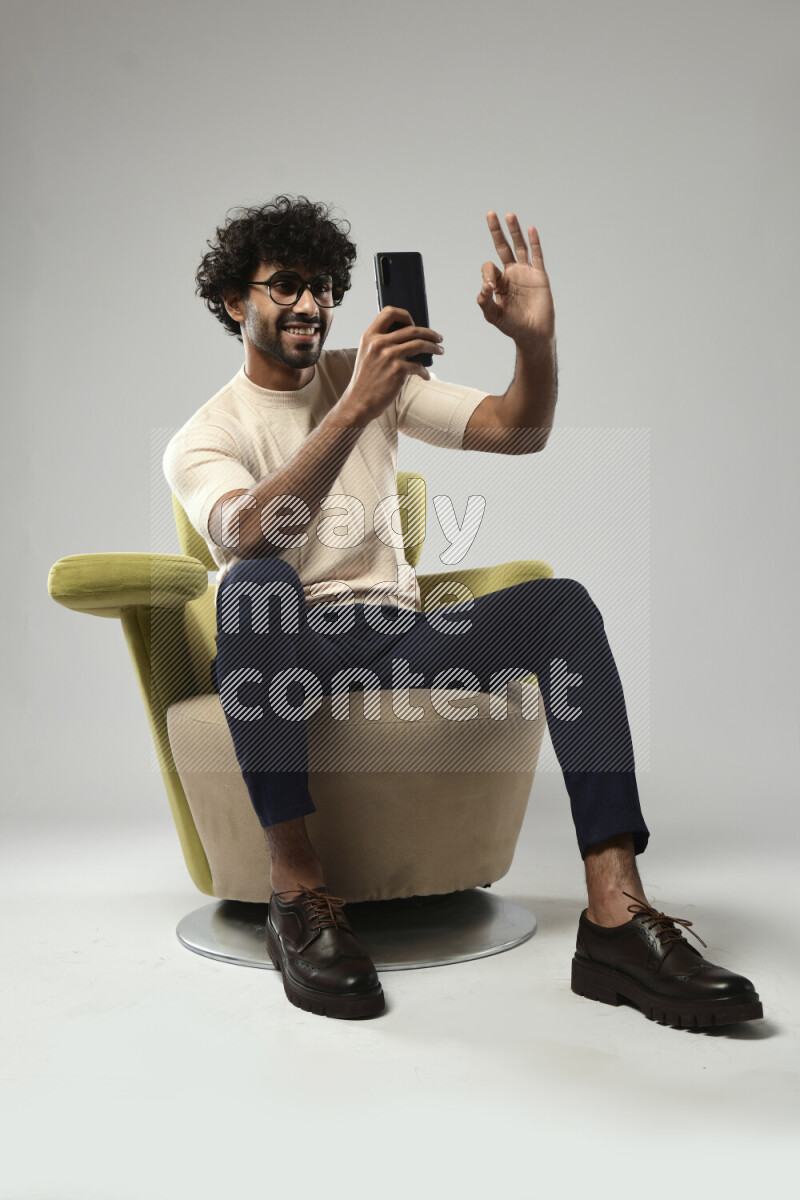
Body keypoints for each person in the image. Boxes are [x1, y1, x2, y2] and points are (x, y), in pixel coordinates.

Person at [163, 195, 763, 1026]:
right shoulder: (205, 434)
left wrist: (534, 342)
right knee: (254, 587)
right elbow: (257, 531)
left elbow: (520, 431)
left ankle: (617, 919)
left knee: (561, 608)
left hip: (399, 632)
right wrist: (356, 404)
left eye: (326, 287)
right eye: (286, 286)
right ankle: (297, 899)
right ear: (236, 300)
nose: (312, 305)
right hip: (295, 643)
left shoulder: (374, 373)